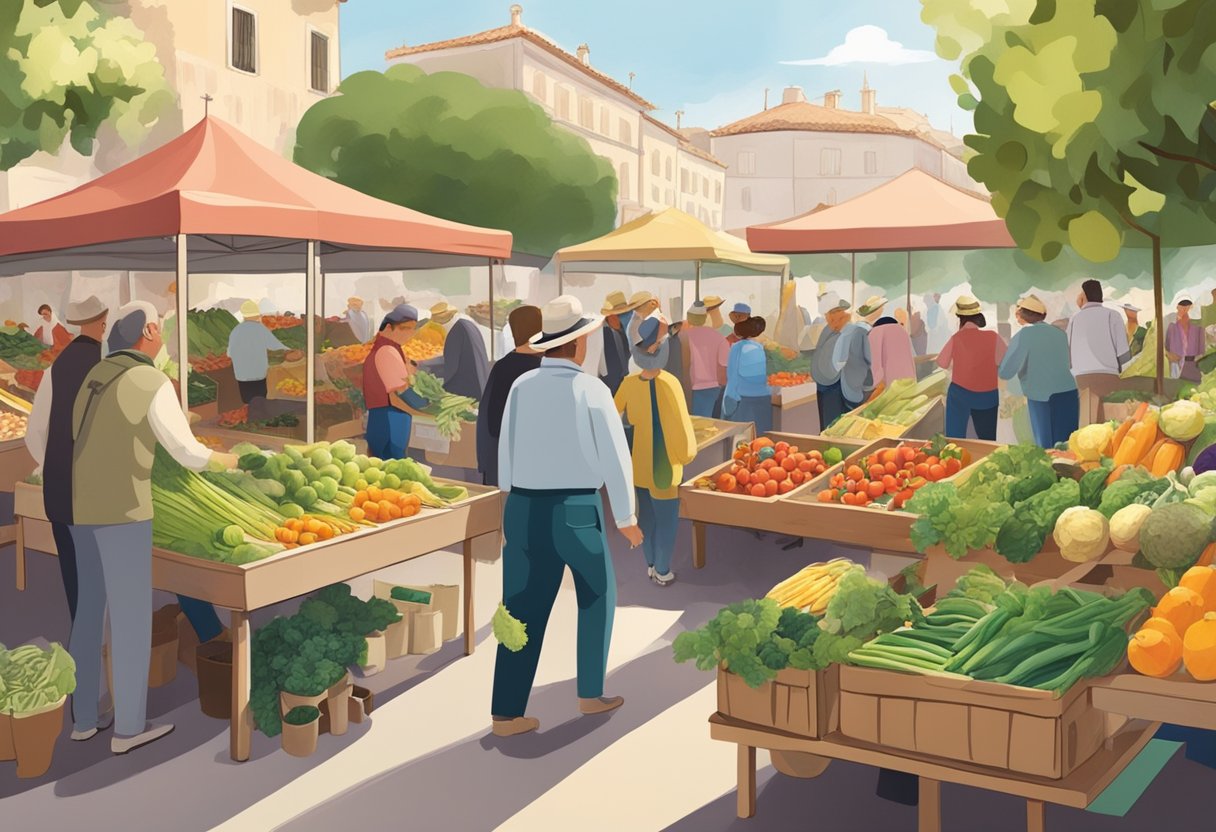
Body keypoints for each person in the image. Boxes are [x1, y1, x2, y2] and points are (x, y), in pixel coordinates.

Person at [69, 302, 239, 754]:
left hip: (80, 505)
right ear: (147, 330)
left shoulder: (96, 375)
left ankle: (84, 719)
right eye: (160, 328)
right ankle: (127, 730)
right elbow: (187, 452)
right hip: (123, 509)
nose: (163, 334)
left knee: (89, 611)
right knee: (128, 618)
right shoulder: (150, 379)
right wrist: (231, 461)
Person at [493, 295, 642, 737]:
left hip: (521, 506)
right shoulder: (592, 390)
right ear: (578, 344)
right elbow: (617, 458)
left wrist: (509, 501)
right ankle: (590, 693)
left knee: (519, 607)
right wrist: (626, 516)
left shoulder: (521, 387)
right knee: (596, 596)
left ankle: (506, 710)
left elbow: (507, 449)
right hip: (576, 508)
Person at [615, 318, 696, 586]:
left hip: (639, 460)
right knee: (667, 520)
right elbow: (682, 427)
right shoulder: (670, 383)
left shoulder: (628, 383)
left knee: (646, 516)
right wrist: (687, 455)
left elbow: (614, 415)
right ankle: (662, 569)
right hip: (665, 462)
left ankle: (650, 563)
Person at [475, 306, 543, 486]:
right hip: (530, 467)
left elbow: (489, 420)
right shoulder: (542, 370)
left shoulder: (501, 367)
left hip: (499, 462)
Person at [999, 295, 1079, 448]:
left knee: (1046, 449)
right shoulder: (1059, 334)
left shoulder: (1023, 335)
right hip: (1068, 392)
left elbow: (1006, 372)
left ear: (1022, 315)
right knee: (1068, 447)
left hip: (1042, 397)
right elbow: (1068, 363)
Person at [362, 304, 430, 460]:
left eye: (412, 329)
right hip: (390, 418)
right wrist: (424, 408)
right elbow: (399, 393)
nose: (409, 334)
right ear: (387, 328)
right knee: (392, 462)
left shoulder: (389, 348)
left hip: (384, 416)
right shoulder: (387, 351)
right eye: (404, 328)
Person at [937, 296, 1007, 441]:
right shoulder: (993, 336)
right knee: (987, 439)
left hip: (960, 395)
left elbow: (942, 362)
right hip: (988, 396)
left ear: (960, 318)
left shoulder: (956, 338)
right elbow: (1004, 361)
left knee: (955, 439)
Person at [1067, 280, 1131, 425]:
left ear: (1084, 296)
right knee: (1109, 421)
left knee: (1087, 420)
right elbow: (1123, 352)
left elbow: (1068, 350)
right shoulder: (1112, 315)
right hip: (1108, 375)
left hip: (1081, 376)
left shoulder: (1075, 319)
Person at [420, 301, 490, 400]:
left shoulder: (457, 330)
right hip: (477, 380)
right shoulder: (464, 323)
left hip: (468, 387)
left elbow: (450, 361)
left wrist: (424, 364)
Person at [227, 300, 289, 403]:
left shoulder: (236, 331)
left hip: (242, 374)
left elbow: (230, 352)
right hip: (258, 372)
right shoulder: (260, 329)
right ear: (256, 315)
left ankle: (250, 414)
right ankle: (259, 415)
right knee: (260, 400)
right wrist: (288, 349)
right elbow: (274, 345)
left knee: (247, 400)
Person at [723, 315, 775, 434]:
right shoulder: (760, 348)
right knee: (761, 436)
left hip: (742, 399)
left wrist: (729, 400)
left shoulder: (736, 348)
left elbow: (732, 376)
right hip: (763, 397)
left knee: (743, 438)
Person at [833, 296, 884, 411]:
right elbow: (872, 360)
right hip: (863, 386)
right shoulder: (866, 332)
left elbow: (837, 360)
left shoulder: (849, 330)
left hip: (847, 385)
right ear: (876, 312)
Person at [811, 301, 852, 430]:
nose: (834, 323)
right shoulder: (827, 330)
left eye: (839, 319)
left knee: (834, 422)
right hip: (822, 384)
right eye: (831, 318)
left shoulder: (848, 332)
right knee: (825, 421)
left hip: (836, 384)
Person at [683, 301, 729, 418]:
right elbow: (723, 366)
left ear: (689, 318)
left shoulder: (683, 337)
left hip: (689, 387)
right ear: (705, 318)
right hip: (713, 388)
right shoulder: (719, 337)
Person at [870, 304, 917, 390]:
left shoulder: (875, 333)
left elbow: (875, 365)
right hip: (909, 383)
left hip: (887, 388)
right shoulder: (902, 331)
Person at [599, 291, 635, 395]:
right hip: (608, 389)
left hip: (621, 387)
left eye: (625, 313)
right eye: (620, 314)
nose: (623, 318)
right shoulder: (603, 333)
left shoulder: (623, 332)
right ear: (610, 316)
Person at [1167, 298, 1205, 382]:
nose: (1185, 311)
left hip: (1191, 361)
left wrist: (1199, 358)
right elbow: (1166, 344)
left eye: (1187, 308)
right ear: (1177, 307)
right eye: (1182, 308)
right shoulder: (1172, 326)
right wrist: (1169, 354)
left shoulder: (1197, 327)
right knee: (1174, 382)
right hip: (1175, 361)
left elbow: (1201, 346)